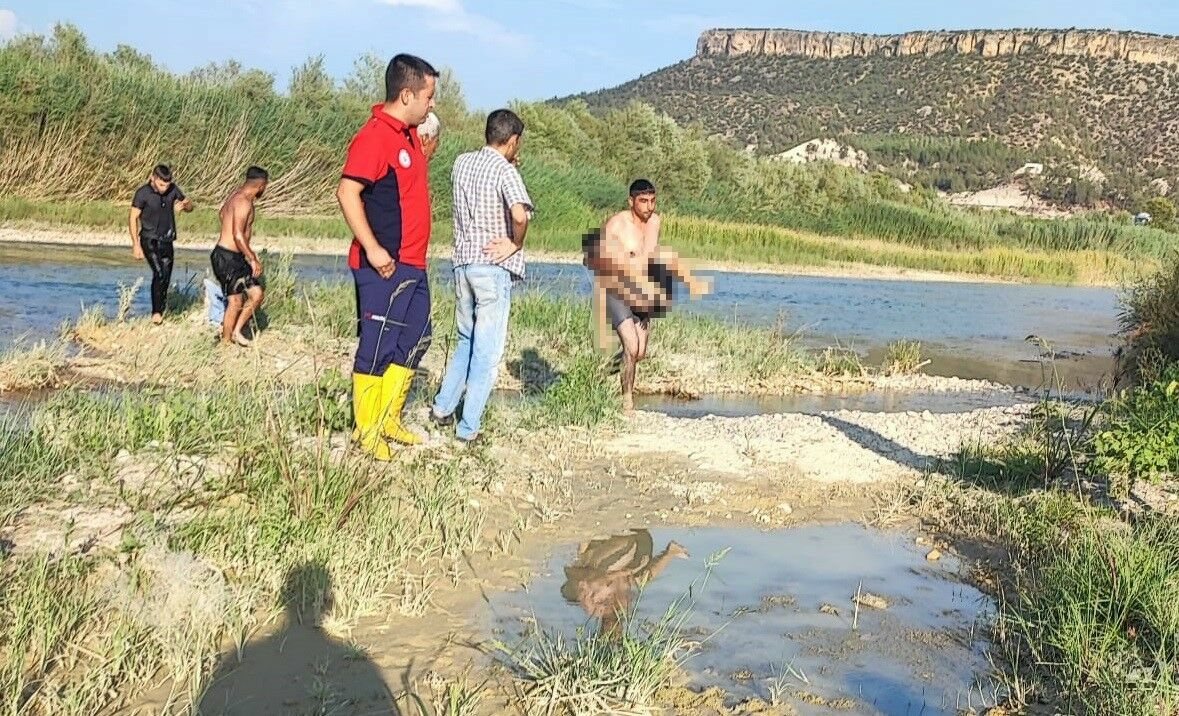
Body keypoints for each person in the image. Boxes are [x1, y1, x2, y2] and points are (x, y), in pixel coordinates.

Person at [336, 53, 438, 461]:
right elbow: (347, 192)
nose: (432, 105)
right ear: (407, 93)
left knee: (416, 338)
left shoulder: (409, 134)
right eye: (429, 97)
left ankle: (389, 419)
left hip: (415, 262)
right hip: (384, 264)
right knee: (376, 346)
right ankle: (367, 431)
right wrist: (374, 248)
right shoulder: (375, 136)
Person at [429, 108, 533, 446]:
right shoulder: (505, 169)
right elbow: (520, 214)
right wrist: (514, 245)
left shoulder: (461, 162)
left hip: (462, 262)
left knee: (465, 340)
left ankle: (442, 408)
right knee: (487, 352)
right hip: (491, 266)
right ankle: (468, 426)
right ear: (513, 140)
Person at [585, 180, 711, 413]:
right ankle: (627, 403)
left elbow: (652, 257)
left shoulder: (655, 222)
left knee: (639, 353)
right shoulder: (617, 224)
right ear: (631, 201)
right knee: (631, 346)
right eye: (643, 201)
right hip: (616, 291)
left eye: (653, 201)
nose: (649, 206)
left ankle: (603, 371)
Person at [560, 529, 689, 637]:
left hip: (620, 552)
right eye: (618, 631)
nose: (614, 628)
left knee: (592, 565)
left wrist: (619, 574)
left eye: (611, 631)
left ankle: (588, 535)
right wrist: (625, 575)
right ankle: (670, 552)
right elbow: (631, 582)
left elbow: (591, 579)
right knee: (641, 580)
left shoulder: (593, 608)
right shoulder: (622, 606)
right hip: (635, 547)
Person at [211, 166, 269, 347]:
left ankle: (236, 331)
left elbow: (222, 214)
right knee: (235, 300)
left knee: (257, 294)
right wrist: (252, 257)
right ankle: (225, 342)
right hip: (226, 257)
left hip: (234, 257)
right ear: (261, 186)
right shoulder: (243, 202)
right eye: (265, 187)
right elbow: (237, 235)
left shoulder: (234, 196)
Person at [129, 164, 193, 324]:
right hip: (149, 239)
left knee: (166, 276)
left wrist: (184, 206)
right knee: (158, 274)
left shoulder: (173, 189)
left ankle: (162, 309)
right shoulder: (143, 193)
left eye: (167, 185)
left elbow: (190, 206)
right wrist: (135, 244)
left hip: (167, 238)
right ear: (153, 178)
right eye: (161, 185)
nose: (165, 188)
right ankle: (156, 313)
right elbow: (132, 218)